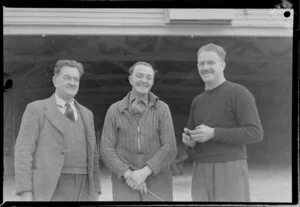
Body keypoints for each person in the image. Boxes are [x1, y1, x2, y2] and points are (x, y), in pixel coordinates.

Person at [182, 43, 263, 202]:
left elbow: (255, 133)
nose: (205, 67)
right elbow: (194, 137)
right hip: (201, 168)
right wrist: (190, 141)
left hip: (230, 167)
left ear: (222, 65)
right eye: (201, 63)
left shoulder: (239, 93)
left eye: (210, 62)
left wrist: (213, 133)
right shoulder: (197, 101)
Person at [14, 60, 101, 201]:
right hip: (50, 187)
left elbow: (94, 155)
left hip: (84, 187)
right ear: (55, 81)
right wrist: (25, 192)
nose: (72, 83)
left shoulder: (87, 114)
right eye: (67, 78)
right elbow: (23, 151)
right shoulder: (36, 109)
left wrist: (96, 190)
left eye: (76, 79)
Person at [100, 61, 177, 201]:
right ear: (130, 79)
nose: (144, 80)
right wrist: (128, 174)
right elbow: (106, 148)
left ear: (152, 82)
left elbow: (169, 147)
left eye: (148, 77)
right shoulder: (114, 110)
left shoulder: (162, 109)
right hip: (125, 182)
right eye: (139, 76)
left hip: (158, 180)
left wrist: (144, 173)